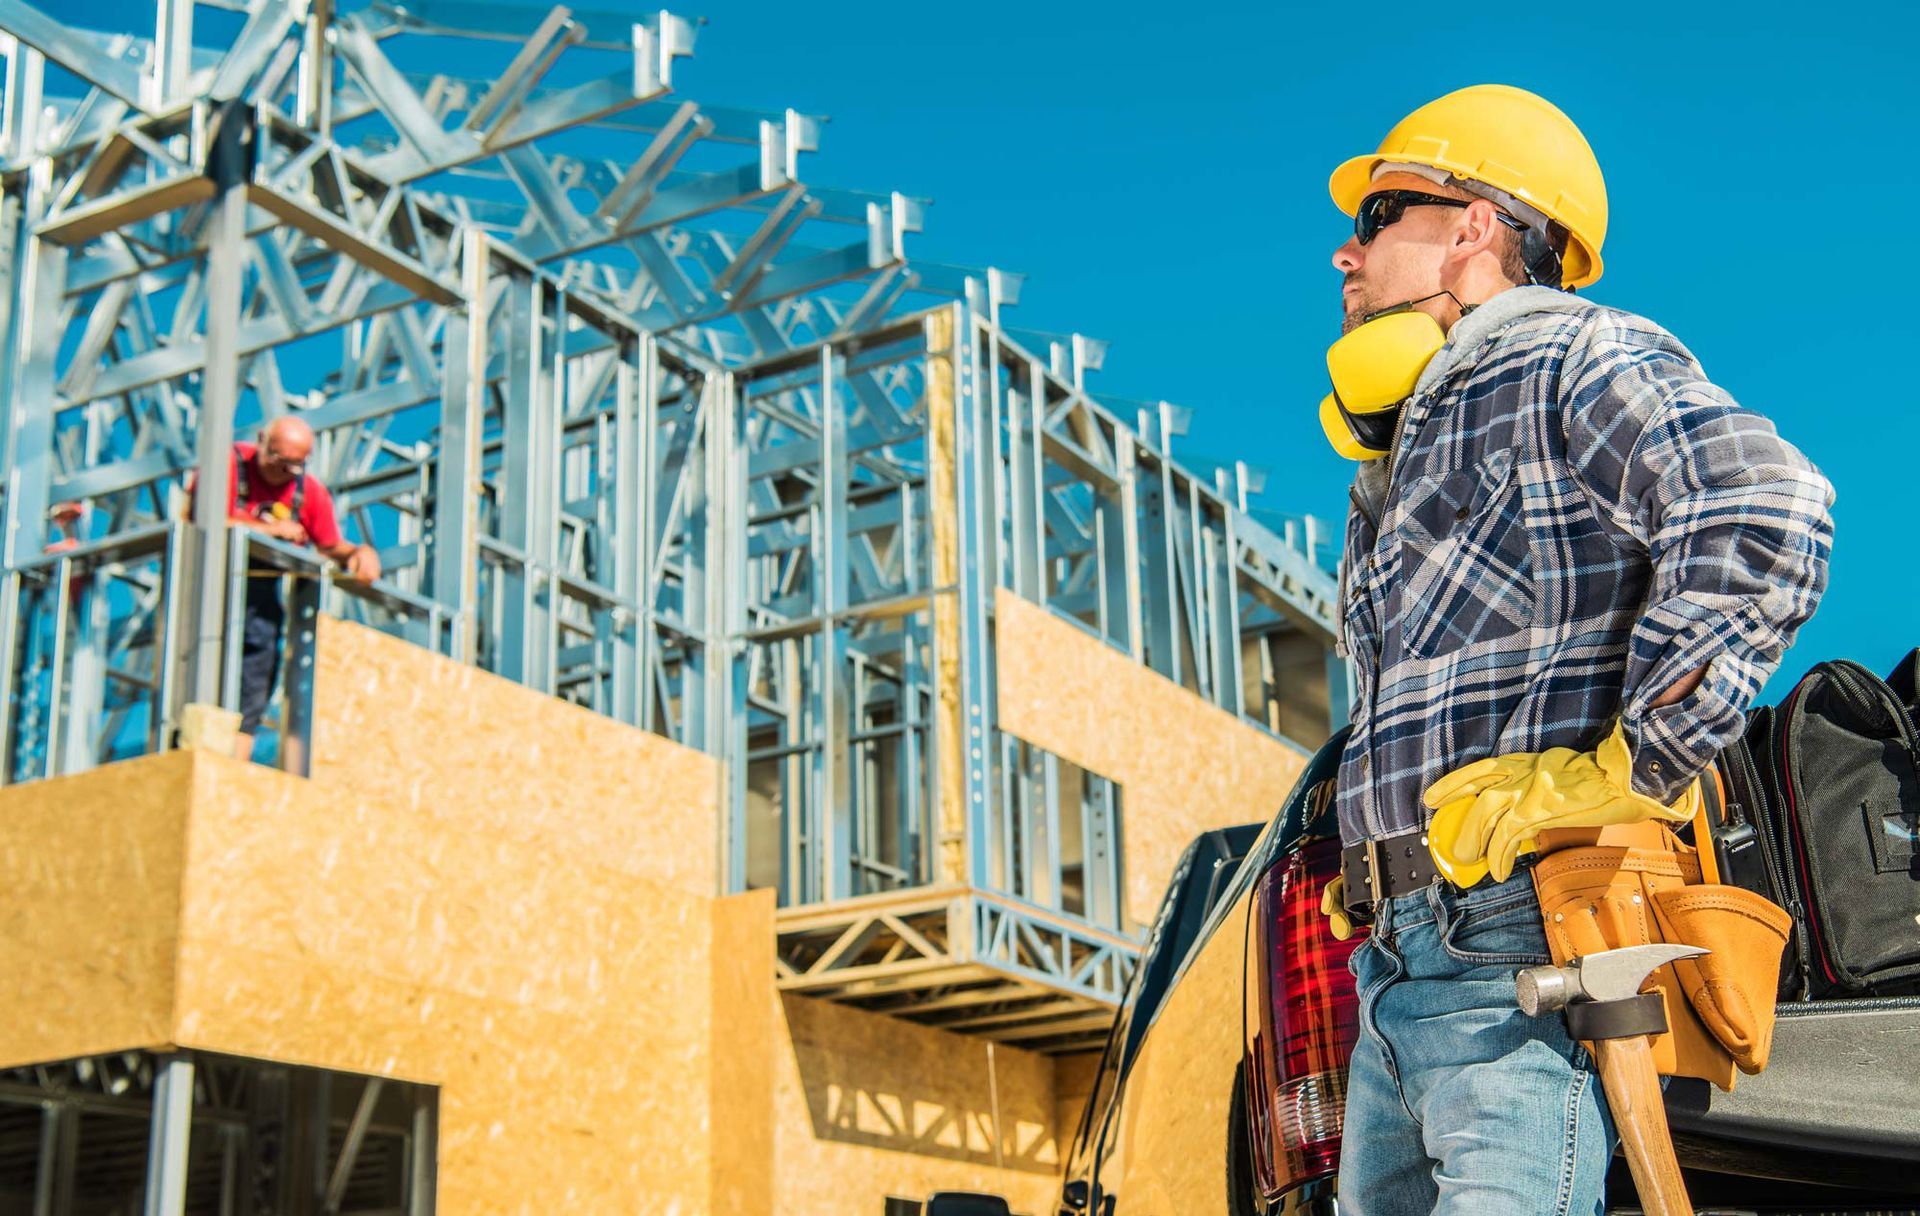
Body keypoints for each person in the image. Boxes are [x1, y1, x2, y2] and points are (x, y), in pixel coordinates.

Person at [1316, 85, 1834, 1213]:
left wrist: (1633, 765)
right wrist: (1373, 849)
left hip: (1523, 935)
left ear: (1473, 227)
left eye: (1378, 217)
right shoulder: (1408, 441)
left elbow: (1764, 506)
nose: (1344, 256)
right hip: (1402, 962)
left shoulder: (1564, 355)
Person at [190, 416, 380, 760]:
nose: (284, 473)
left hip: (260, 602)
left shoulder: (310, 493)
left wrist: (357, 553)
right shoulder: (227, 467)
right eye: (278, 461)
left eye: (295, 465)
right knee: (197, 670)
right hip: (206, 585)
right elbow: (199, 520)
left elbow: (329, 545)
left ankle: (235, 764)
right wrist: (269, 531)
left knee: (254, 677)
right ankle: (187, 750)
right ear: (262, 440)